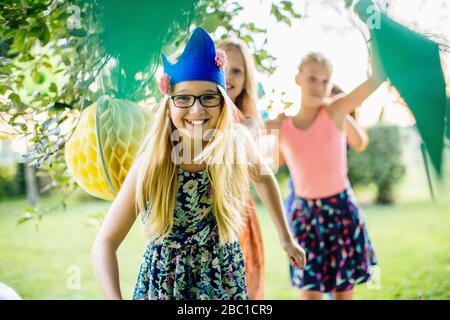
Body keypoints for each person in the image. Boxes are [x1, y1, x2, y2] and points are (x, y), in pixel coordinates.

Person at [91, 27, 306, 300]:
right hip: (165, 289)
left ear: (223, 103)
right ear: (169, 104)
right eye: (183, 98)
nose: (197, 109)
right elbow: (105, 242)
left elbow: (264, 178)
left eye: (208, 97)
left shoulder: (237, 144)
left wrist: (286, 238)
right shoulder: (153, 163)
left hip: (223, 284)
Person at [266, 52, 381, 300]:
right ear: (298, 79)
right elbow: (272, 158)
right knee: (309, 294)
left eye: (325, 81)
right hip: (304, 216)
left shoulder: (335, 111)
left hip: (339, 211)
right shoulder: (282, 127)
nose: (319, 86)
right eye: (312, 79)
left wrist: (376, 31)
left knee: (342, 294)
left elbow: (375, 81)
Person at [217, 38, 265, 300]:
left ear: (247, 78)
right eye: (223, 66)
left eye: (237, 71)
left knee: (239, 290)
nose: (228, 76)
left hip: (238, 217)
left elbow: (239, 135)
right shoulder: (194, 114)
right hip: (202, 214)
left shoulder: (250, 122)